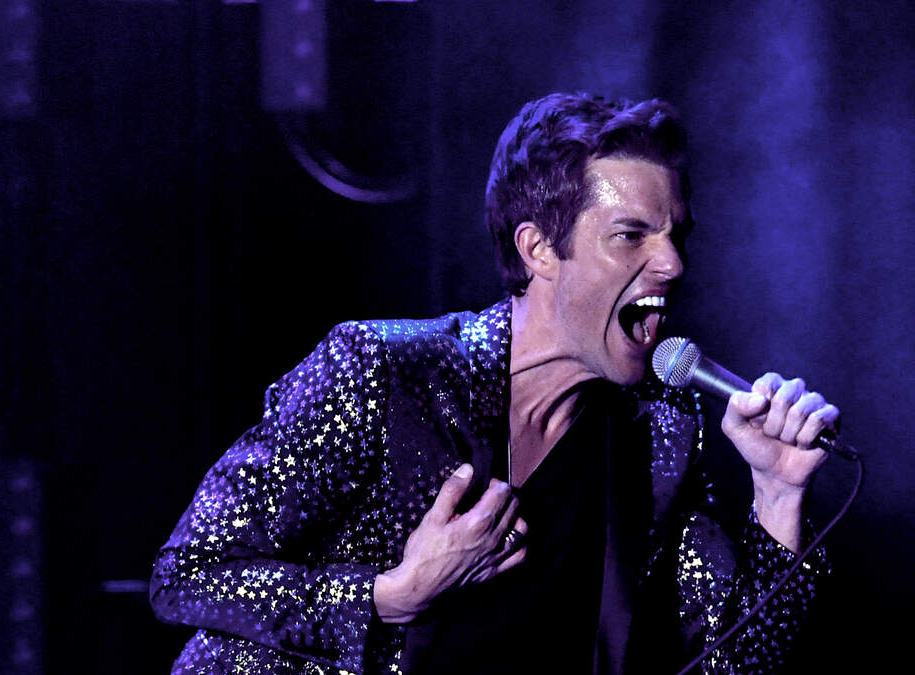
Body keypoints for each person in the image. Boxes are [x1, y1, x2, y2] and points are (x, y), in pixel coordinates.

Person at [150, 92, 840, 674]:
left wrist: (779, 495)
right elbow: (187, 573)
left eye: (676, 236)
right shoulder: (383, 371)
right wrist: (390, 595)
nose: (673, 264)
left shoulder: (657, 434)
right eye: (632, 235)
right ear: (538, 248)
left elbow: (731, 661)